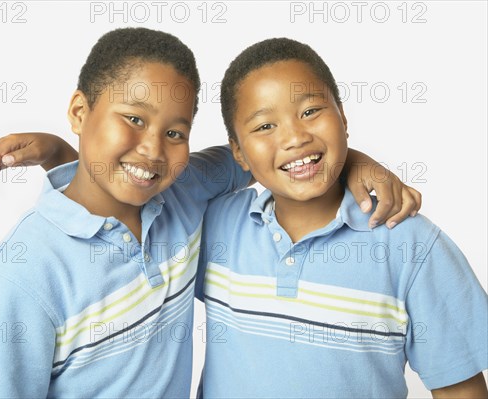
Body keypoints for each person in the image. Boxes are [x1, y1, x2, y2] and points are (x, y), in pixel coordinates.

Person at [0, 30, 421, 398]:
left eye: (175, 131)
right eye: (133, 118)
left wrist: (358, 161)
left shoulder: (182, 189)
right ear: (79, 111)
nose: (153, 149)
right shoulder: (19, 278)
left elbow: (277, 155)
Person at [194, 38, 488, 398]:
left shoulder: (412, 245)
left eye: (310, 111)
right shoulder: (217, 226)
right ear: (237, 151)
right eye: (265, 126)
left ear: (343, 118)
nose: (295, 137)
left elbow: (461, 390)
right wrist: (354, 160)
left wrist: (349, 159)